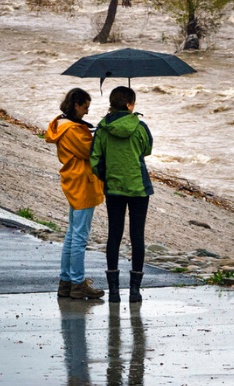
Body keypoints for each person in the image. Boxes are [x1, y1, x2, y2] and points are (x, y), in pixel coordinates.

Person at [90, 86, 153, 303]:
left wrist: (106, 177)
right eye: (133, 102)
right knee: (137, 236)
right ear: (128, 105)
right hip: (138, 188)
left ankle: (114, 290)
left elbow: (95, 158)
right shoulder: (140, 126)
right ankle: (134, 291)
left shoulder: (103, 128)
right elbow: (147, 149)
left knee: (114, 236)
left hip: (114, 188)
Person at [45, 88, 106, 300]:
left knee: (72, 235)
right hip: (83, 183)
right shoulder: (73, 130)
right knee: (79, 237)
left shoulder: (62, 124)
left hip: (74, 180)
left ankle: (66, 282)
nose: (87, 113)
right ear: (77, 105)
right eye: (86, 108)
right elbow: (91, 151)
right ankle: (78, 283)